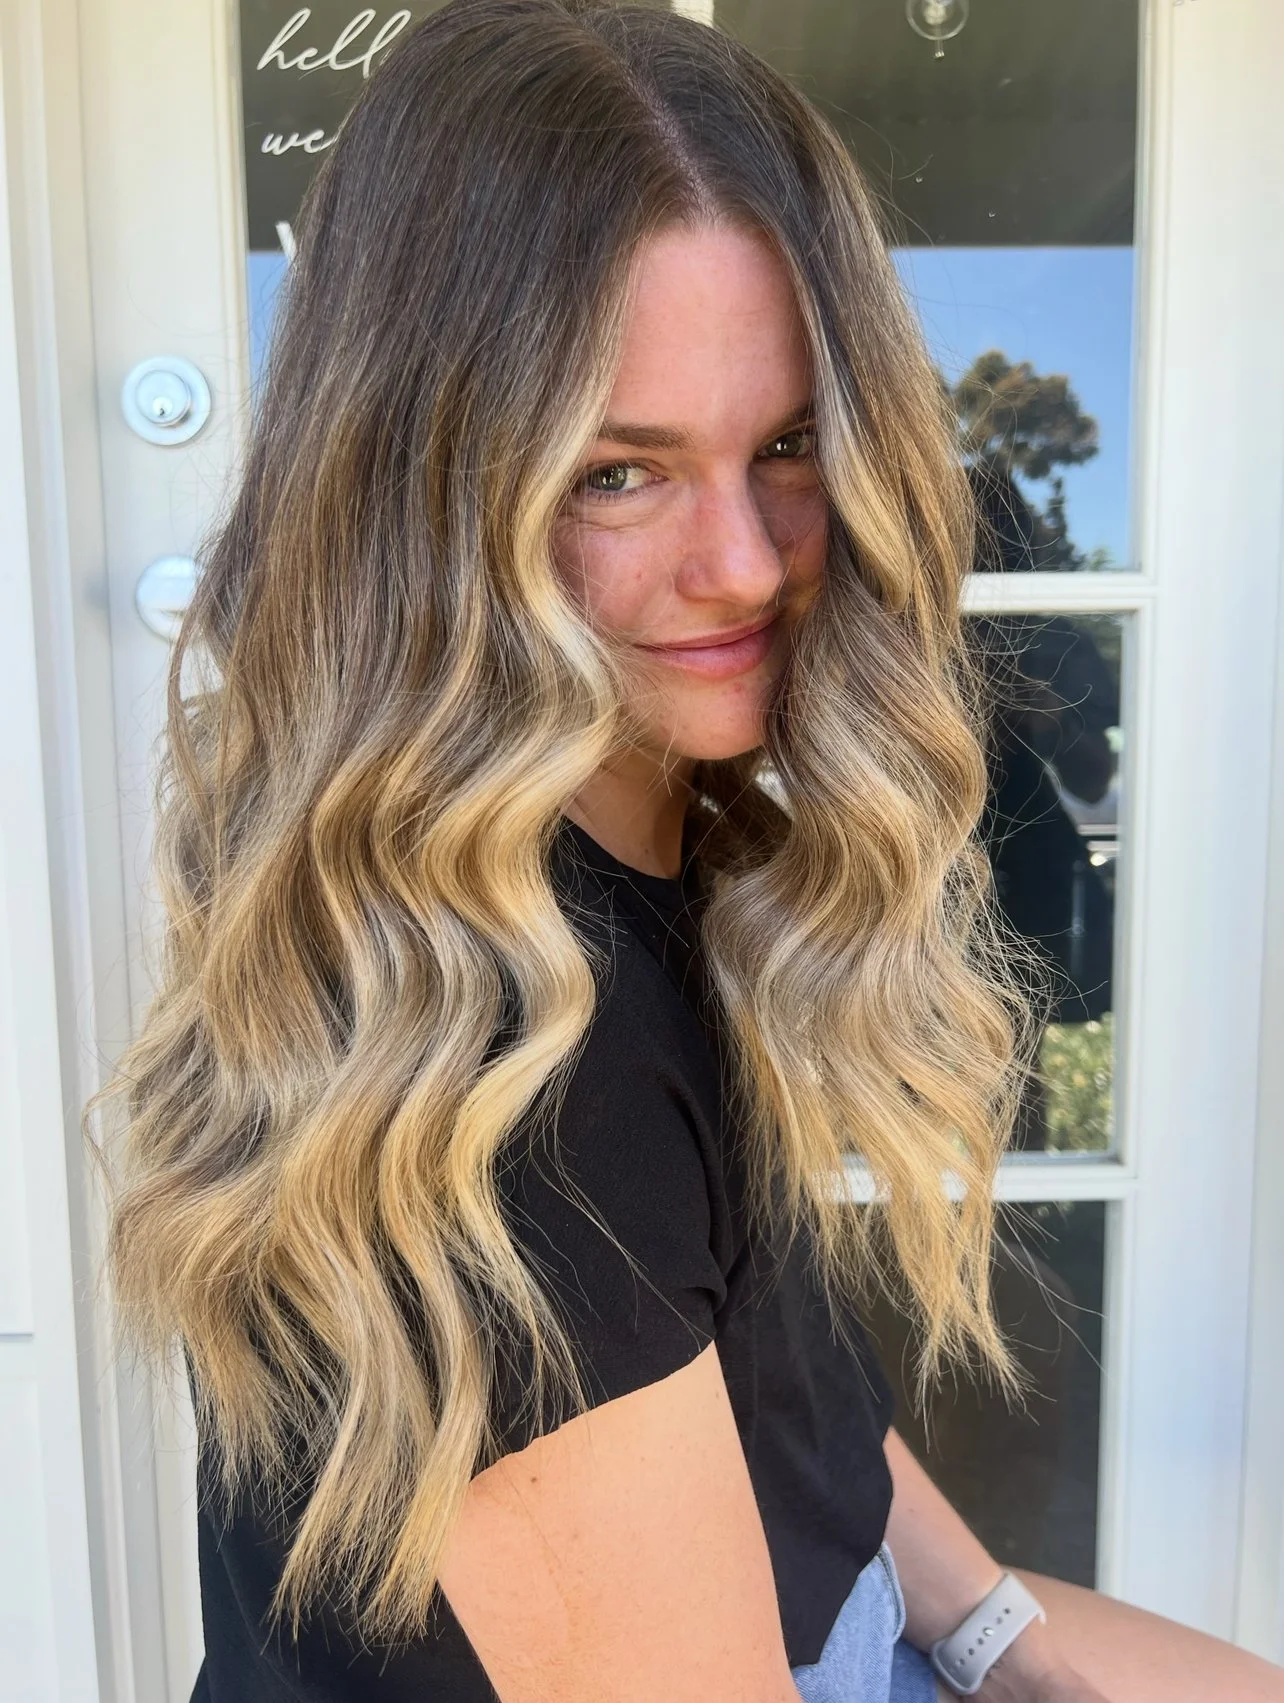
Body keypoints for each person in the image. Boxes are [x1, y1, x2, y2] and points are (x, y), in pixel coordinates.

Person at [88, 3, 1284, 1700]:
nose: (744, 564)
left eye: (788, 445)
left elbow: (781, 1374)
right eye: (620, 472)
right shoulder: (527, 1109)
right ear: (423, 505)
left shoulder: (651, 835)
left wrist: (993, 1629)